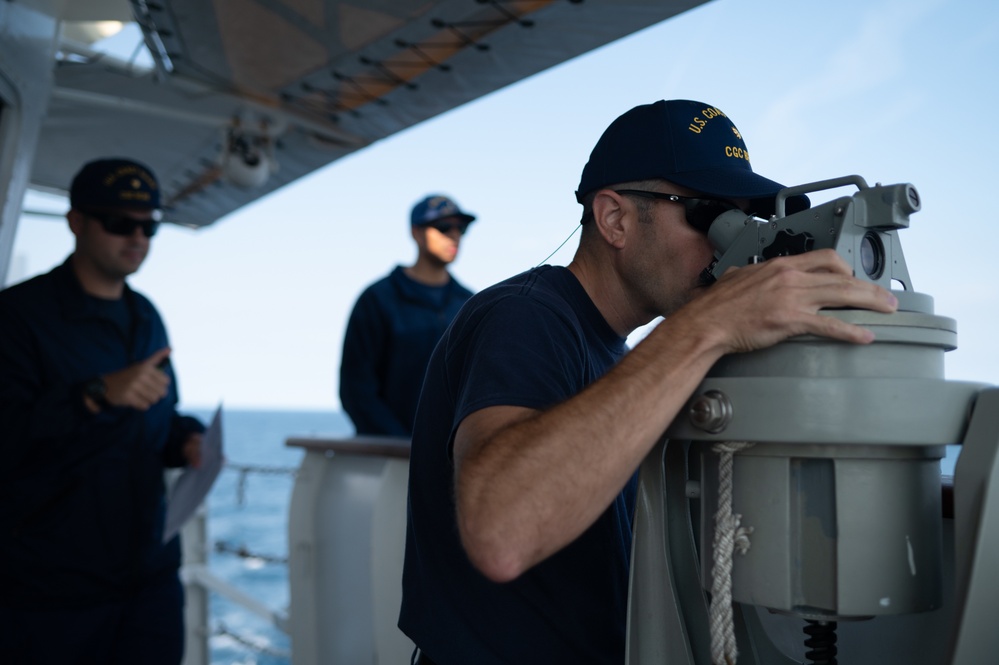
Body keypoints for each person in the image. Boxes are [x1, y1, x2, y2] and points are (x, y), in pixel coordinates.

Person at [398, 100, 899, 664]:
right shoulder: (523, 317)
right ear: (614, 219)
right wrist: (705, 326)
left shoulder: (628, 353)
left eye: (742, 222)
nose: (727, 244)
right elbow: (501, 533)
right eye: (707, 216)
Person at [0, 158, 206, 664]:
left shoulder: (146, 317)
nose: (137, 236)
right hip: (50, 593)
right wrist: (93, 393)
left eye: (148, 224)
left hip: (149, 582)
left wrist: (188, 440)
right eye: (119, 222)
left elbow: (157, 420)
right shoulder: (18, 318)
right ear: (77, 222)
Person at [339, 194, 477, 436]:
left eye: (461, 228)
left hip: (453, 457)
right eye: (444, 227)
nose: (454, 235)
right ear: (416, 232)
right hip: (391, 457)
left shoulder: (469, 304)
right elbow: (356, 389)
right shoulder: (377, 299)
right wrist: (404, 445)